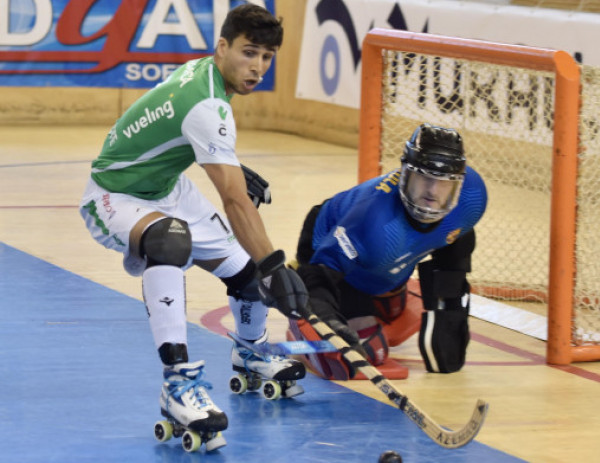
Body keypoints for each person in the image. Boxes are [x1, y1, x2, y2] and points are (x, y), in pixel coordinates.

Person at [79, 4, 307, 450]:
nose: (257, 66)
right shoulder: (207, 103)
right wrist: (277, 266)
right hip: (115, 195)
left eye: (267, 56)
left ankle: (250, 353)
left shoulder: (206, 75)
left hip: (168, 187)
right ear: (222, 47)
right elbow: (235, 201)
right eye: (249, 52)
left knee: (247, 278)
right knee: (171, 242)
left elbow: (186, 137)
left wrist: (263, 267)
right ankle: (178, 385)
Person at [288, 123, 488, 381]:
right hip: (329, 243)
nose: (432, 192)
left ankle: (385, 298)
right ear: (405, 173)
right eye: (425, 178)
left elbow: (457, 235)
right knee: (371, 350)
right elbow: (320, 274)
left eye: (443, 184)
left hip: (380, 260)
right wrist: (330, 324)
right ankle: (299, 309)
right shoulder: (371, 221)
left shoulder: (472, 196)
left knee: (393, 316)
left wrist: (448, 305)